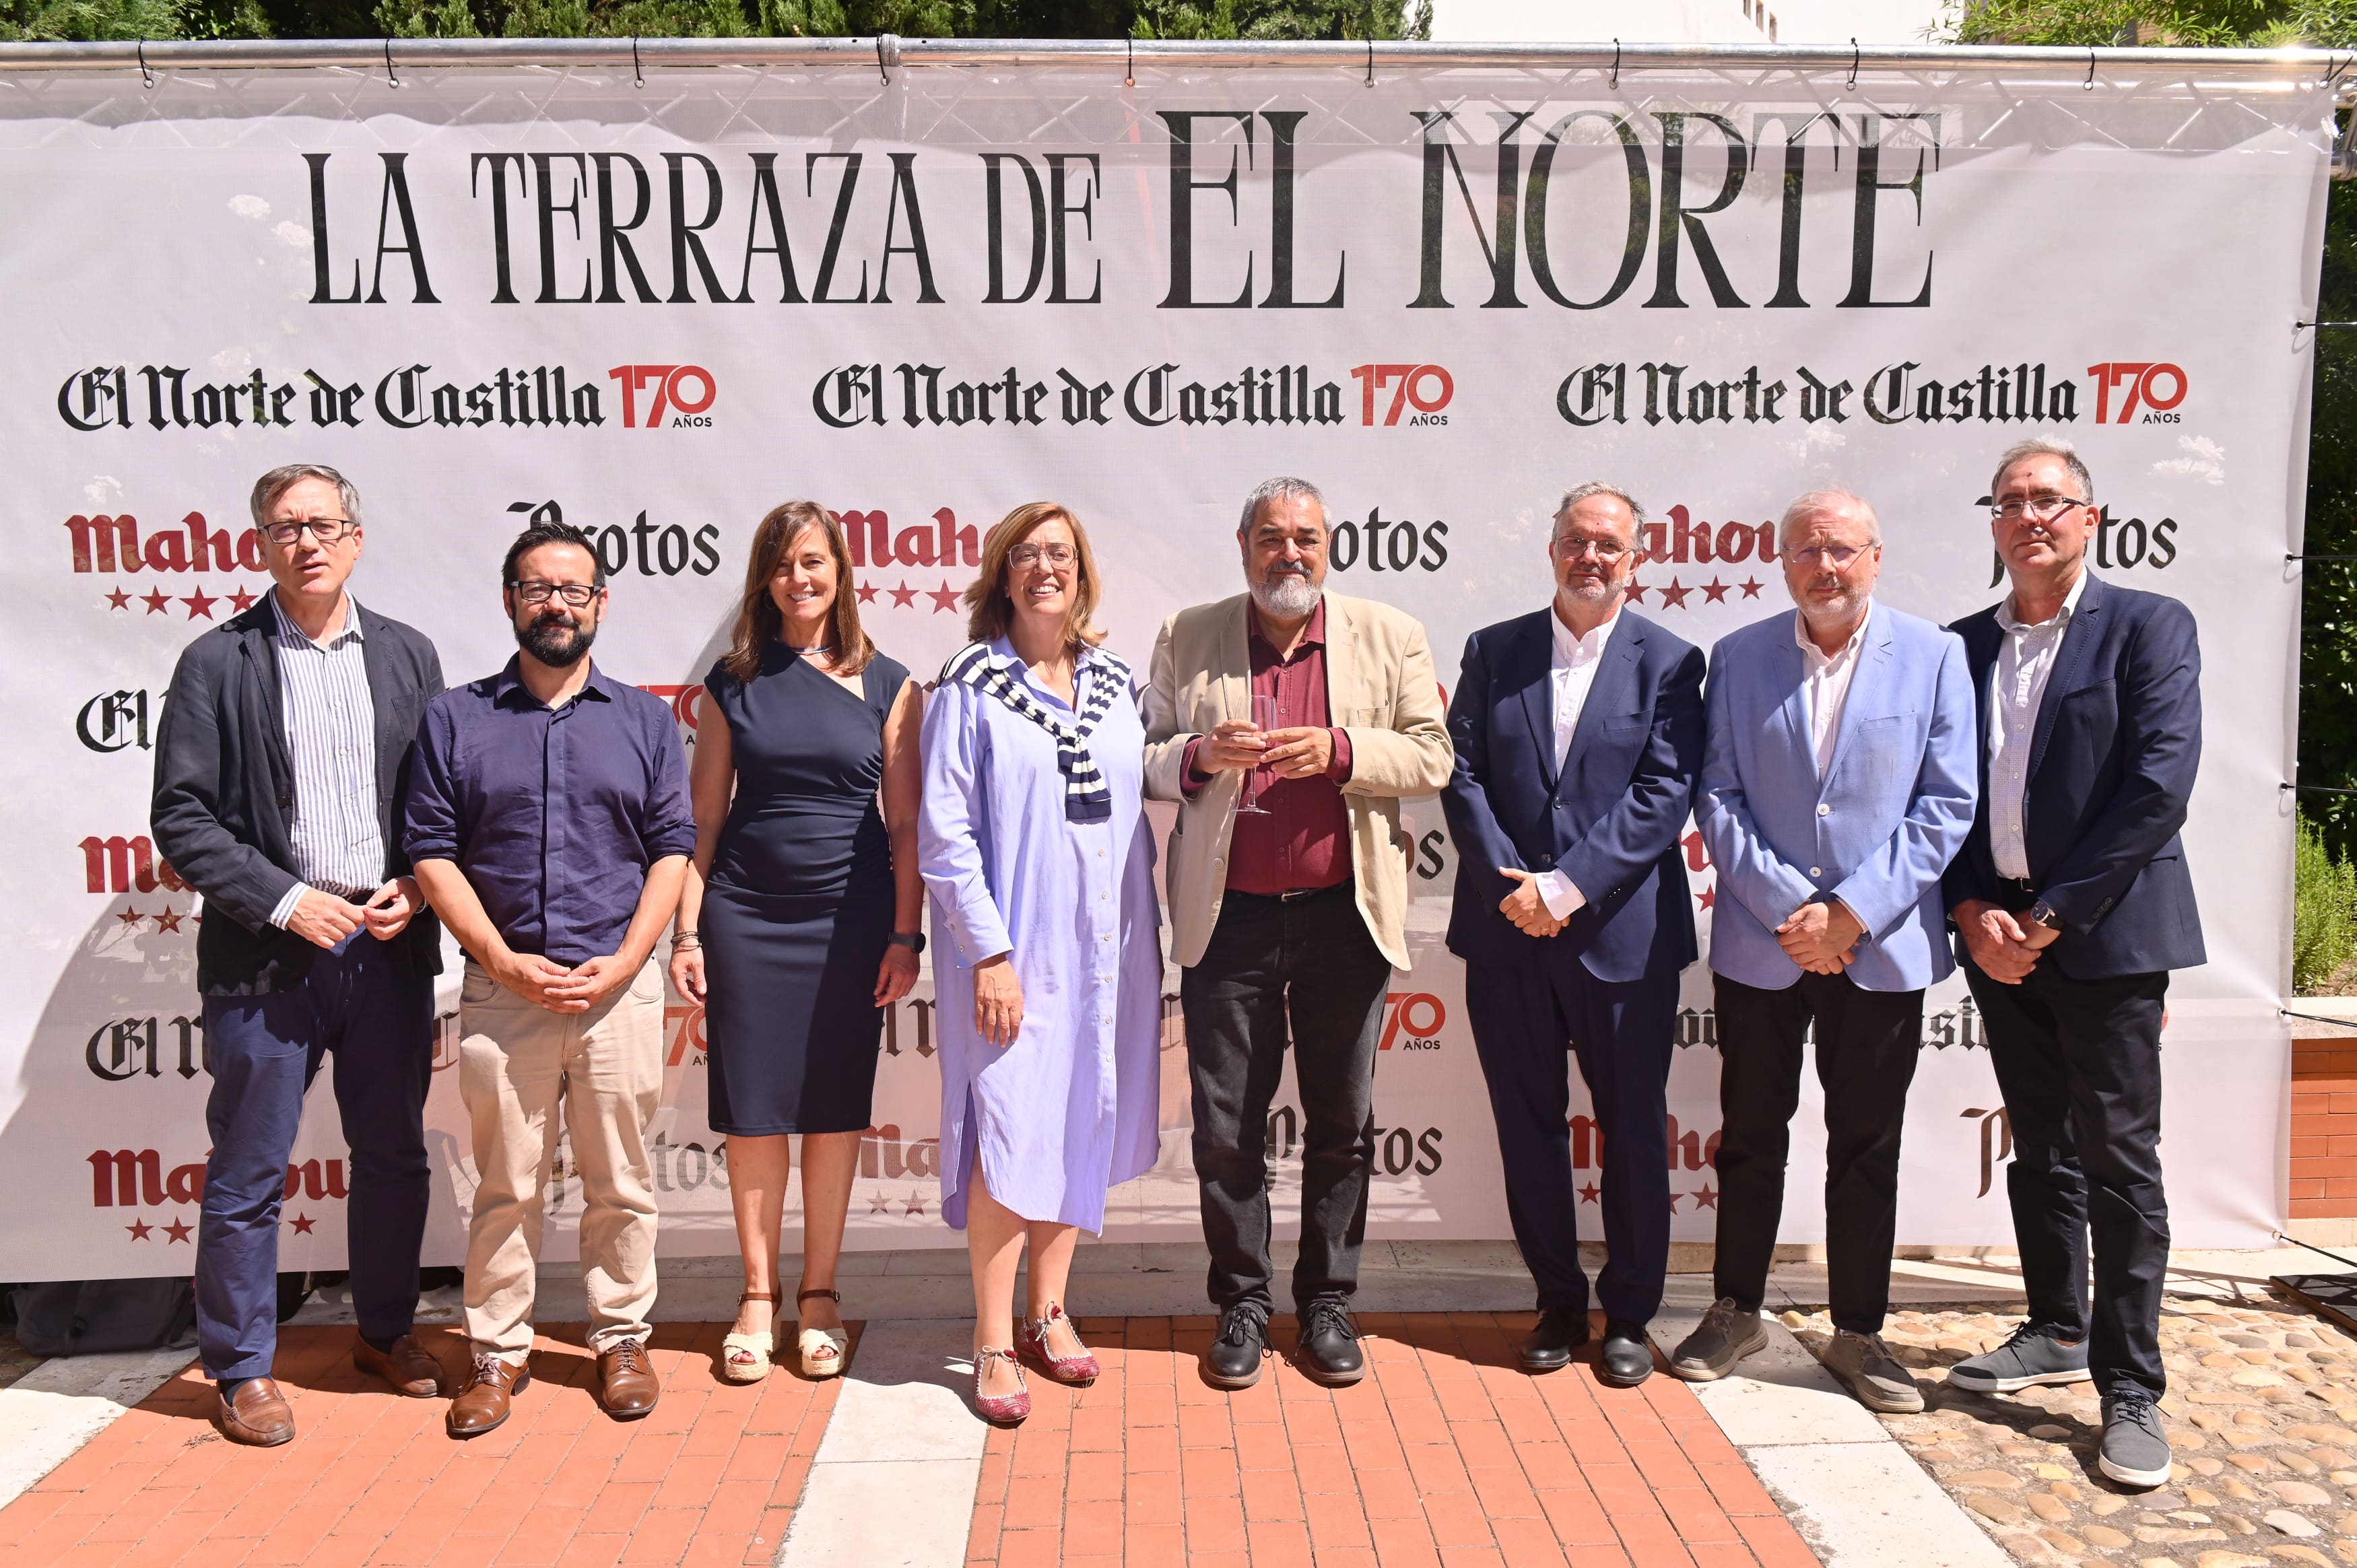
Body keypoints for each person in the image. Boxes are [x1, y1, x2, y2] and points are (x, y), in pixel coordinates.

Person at [150, 463, 447, 1446]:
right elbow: (182, 817)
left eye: (324, 524)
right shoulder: (215, 662)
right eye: (286, 527)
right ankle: (240, 1368)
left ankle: (387, 1330)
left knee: (395, 1154)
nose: (307, 541)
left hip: (386, 946)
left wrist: (416, 879)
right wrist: (284, 900)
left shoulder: (407, 654)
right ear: (260, 546)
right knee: (248, 1168)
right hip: (265, 955)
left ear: (356, 537)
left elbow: (432, 802)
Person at [1143, 476, 1454, 1391]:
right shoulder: (1187, 633)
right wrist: (1199, 756)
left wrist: (1344, 750)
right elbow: (1148, 755)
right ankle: (1242, 1298)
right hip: (1226, 916)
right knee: (1228, 1128)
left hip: (1342, 916)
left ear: (1330, 546)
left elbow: (1433, 754)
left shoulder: (1389, 633)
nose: (1291, 553)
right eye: (1273, 538)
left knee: (1342, 1123)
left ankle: (1328, 1300)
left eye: (1307, 538)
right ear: (1243, 547)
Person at [1671, 488, 1977, 1414]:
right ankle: (1737, 1308)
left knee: (1867, 1143)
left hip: (1880, 948)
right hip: (1766, 945)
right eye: (1806, 550)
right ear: (1784, 563)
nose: (1825, 566)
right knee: (1752, 1135)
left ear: (1876, 557)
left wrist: (1850, 912)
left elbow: (1947, 801)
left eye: (1842, 549)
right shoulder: (1738, 657)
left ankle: (1860, 1328)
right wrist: (1790, 909)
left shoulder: (1935, 655)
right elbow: (1716, 796)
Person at [1938, 439, 2204, 1491]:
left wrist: (2047, 915)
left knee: (2119, 1162)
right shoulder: (1961, 647)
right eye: (2010, 502)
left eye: (2050, 499)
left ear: (2091, 518)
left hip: (2103, 939)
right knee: (2038, 1141)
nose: (2029, 516)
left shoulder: (2149, 626)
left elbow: (2157, 787)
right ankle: (2055, 1324)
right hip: (2000, 941)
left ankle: (2130, 1384)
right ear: (1993, 525)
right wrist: (1971, 907)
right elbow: (1942, 796)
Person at [405, 518, 694, 1438]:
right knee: (506, 1183)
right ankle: (497, 1352)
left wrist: (629, 956)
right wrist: (498, 957)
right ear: (510, 600)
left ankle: (620, 1339)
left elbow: (673, 851)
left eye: (575, 590)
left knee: (621, 1179)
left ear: (602, 603)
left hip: (617, 990)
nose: (557, 604)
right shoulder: (457, 717)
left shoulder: (648, 721)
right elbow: (431, 852)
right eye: (539, 588)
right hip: (504, 993)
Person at [1440, 482, 1705, 1386]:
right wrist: (1516, 886)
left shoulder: (1671, 661)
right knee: (1529, 1127)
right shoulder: (1494, 649)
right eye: (1576, 541)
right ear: (1553, 549)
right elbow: (1460, 774)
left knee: (1632, 1128)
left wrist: (1568, 886)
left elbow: (1663, 793)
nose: (1591, 557)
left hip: (1621, 937)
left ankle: (1630, 1312)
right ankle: (1558, 1298)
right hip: (1507, 929)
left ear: (1636, 560)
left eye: (1610, 545)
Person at [918, 503, 1164, 1425]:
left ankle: (1048, 1310)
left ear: (1081, 570)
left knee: (1075, 1118)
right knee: (1007, 1129)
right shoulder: (969, 687)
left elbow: (1142, 795)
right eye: (1025, 556)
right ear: (1002, 575)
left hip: (1107, 949)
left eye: (1058, 554)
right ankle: (990, 1335)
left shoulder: (1112, 681)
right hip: (1014, 951)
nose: (1043, 569)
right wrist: (990, 951)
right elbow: (945, 835)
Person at [670, 503, 922, 1383]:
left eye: (813, 561)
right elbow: (701, 825)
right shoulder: (730, 685)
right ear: (764, 579)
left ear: (840, 570)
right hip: (746, 920)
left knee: (833, 1110)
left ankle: (819, 1296)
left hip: (852, 927)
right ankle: (755, 1297)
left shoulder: (892, 685)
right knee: (754, 1113)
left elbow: (906, 829)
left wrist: (905, 933)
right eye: (782, 564)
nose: (799, 578)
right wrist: (686, 933)